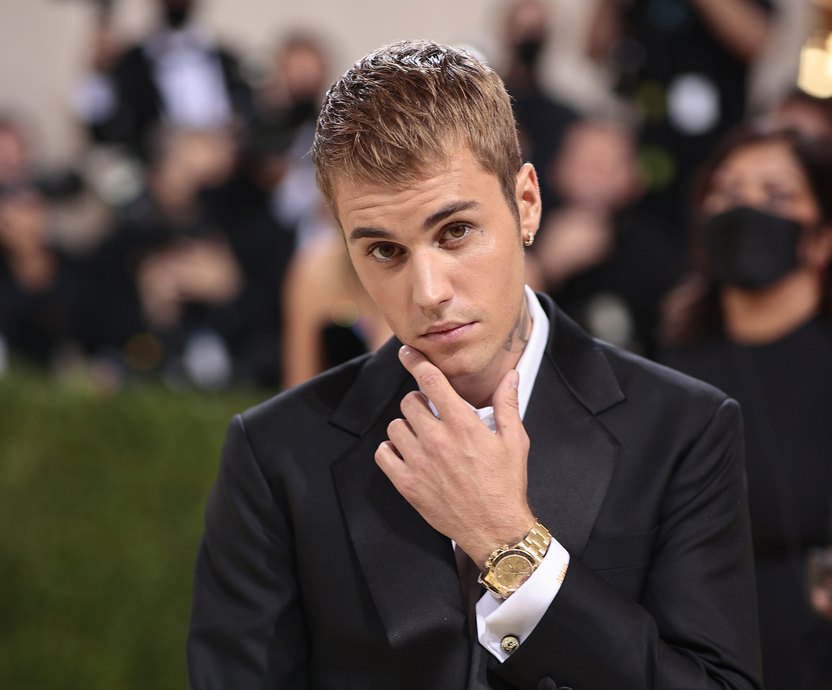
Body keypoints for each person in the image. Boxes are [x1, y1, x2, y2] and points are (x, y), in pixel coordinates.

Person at [188, 40, 761, 690]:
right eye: (383, 250)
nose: (427, 290)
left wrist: (510, 544)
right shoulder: (275, 453)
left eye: (454, 232)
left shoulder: (684, 430)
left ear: (527, 203)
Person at [659, 121, 832, 690]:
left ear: (821, 235)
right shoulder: (668, 374)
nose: (745, 210)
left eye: (776, 195)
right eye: (727, 193)